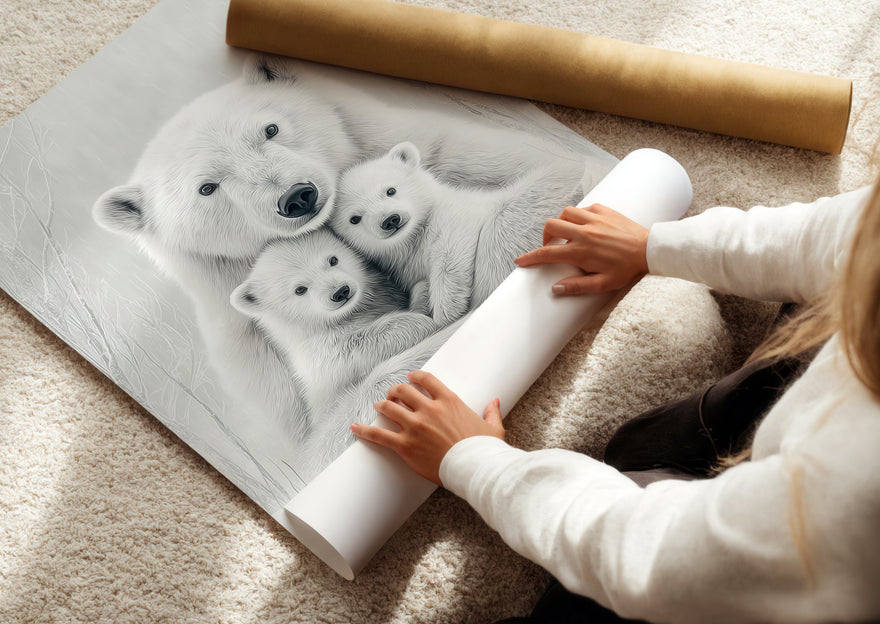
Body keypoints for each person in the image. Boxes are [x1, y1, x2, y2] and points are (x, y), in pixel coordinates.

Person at [350, 177, 880, 623]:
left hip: (803, 574)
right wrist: (653, 245)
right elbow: (838, 235)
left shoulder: (853, 494)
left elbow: (650, 557)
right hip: (815, 446)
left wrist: (475, 461)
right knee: (642, 448)